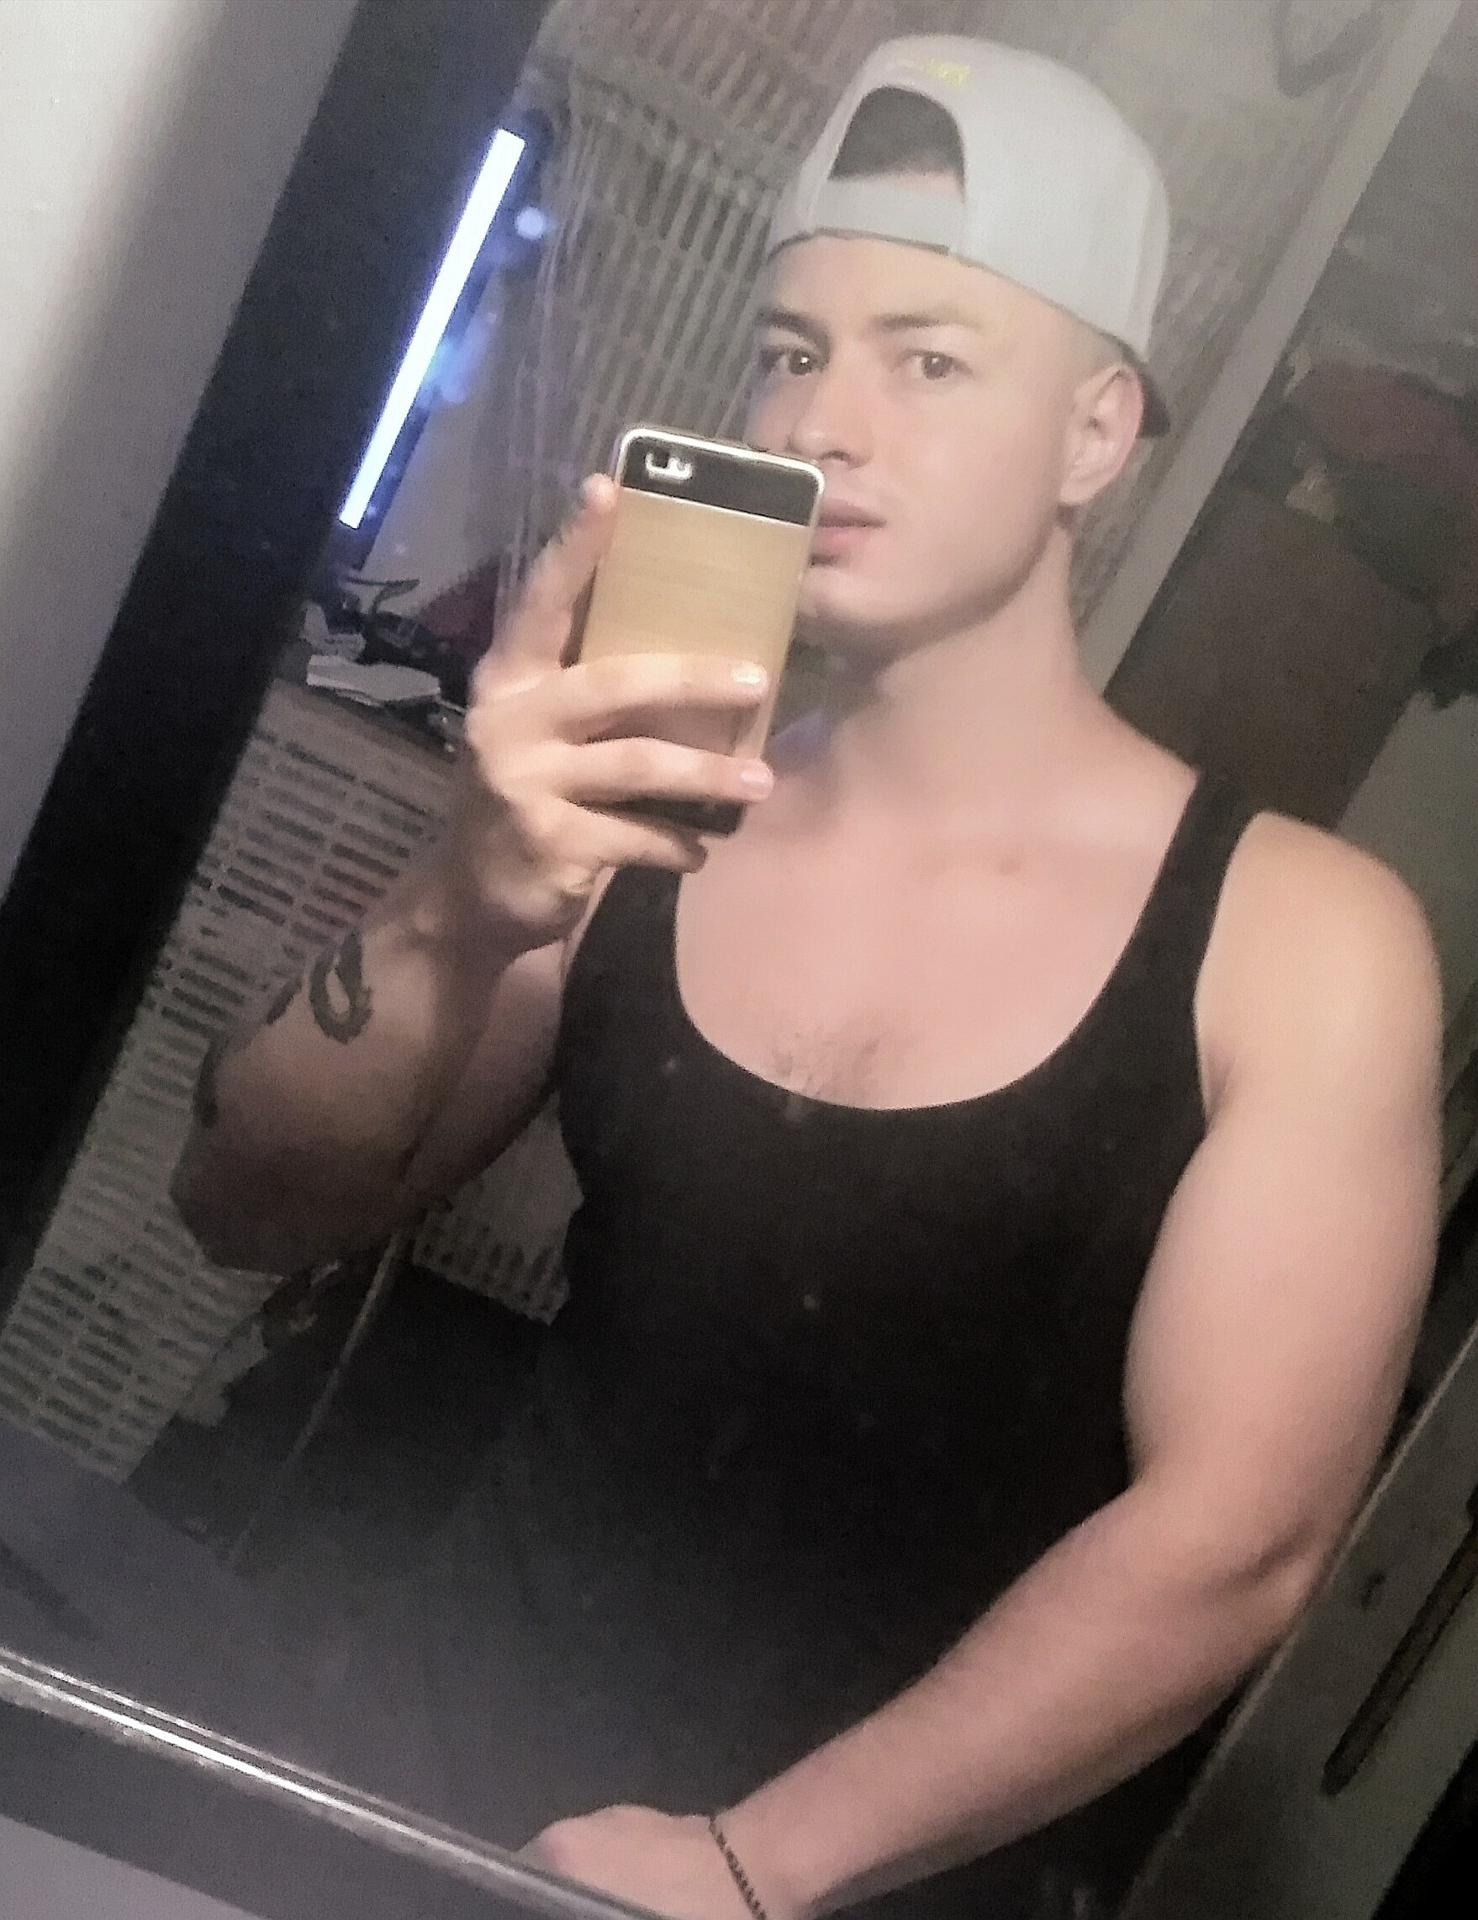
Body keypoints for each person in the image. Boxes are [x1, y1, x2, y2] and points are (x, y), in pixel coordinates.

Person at [173, 35, 1442, 1920]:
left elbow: (1238, 1541)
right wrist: (464, 897)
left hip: (852, 1880)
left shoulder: (1301, 942)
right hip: (418, 1772)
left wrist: (753, 1867)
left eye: (928, 361)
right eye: (788, 351)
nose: (822, 422)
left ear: (1096, 432)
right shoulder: (647, 805)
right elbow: (243, 1207)